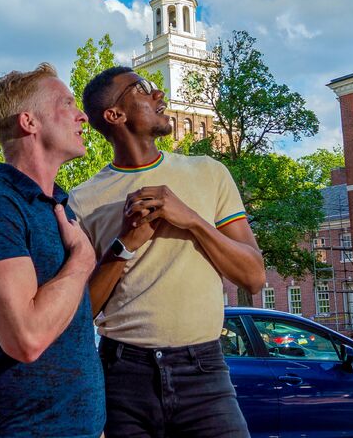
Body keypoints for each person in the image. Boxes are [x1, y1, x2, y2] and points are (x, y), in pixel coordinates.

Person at [70, 67, 266, 438]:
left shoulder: (210, 173)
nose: (159, 94)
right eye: (142, 89)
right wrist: (124, 244)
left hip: (205, 370)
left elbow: (254, 276)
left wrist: (191, 220)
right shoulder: (83, 201)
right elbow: (81, 311)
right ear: (115, 115)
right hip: (123, 374)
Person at [0, 63, 103, 438]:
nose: (82, 114)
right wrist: (82, 263)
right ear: (29, 122)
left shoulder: (59, 209)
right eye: (67, 103)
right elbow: (27, 339)